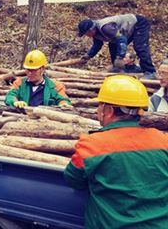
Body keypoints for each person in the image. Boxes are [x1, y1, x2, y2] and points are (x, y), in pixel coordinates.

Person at [64, 75, 168, 228]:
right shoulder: (164, 141)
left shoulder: (91, 146)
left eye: (100, 105)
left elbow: (73, 179)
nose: (98, 110)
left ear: (109, 110)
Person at [78, 14, 156, 79]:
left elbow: (122, 40)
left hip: (138, 24)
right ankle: (124, 69)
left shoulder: (106, 28)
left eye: (86, 33)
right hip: (124, 31)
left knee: (140, 47)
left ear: (91, 29)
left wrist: (120, 57)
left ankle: (150, 71)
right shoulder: (95, 33)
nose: (87, 35)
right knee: (113, 45)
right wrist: (88, 56)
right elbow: (97, 45)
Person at [4, 50, 72, 109]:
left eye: (34, 70)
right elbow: (10, 95)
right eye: (28, 70)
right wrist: (15, 102)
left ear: (42, 69)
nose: (30, 73)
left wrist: (63, 104)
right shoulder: (19, 83)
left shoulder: (55, 86)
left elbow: (63, 99)